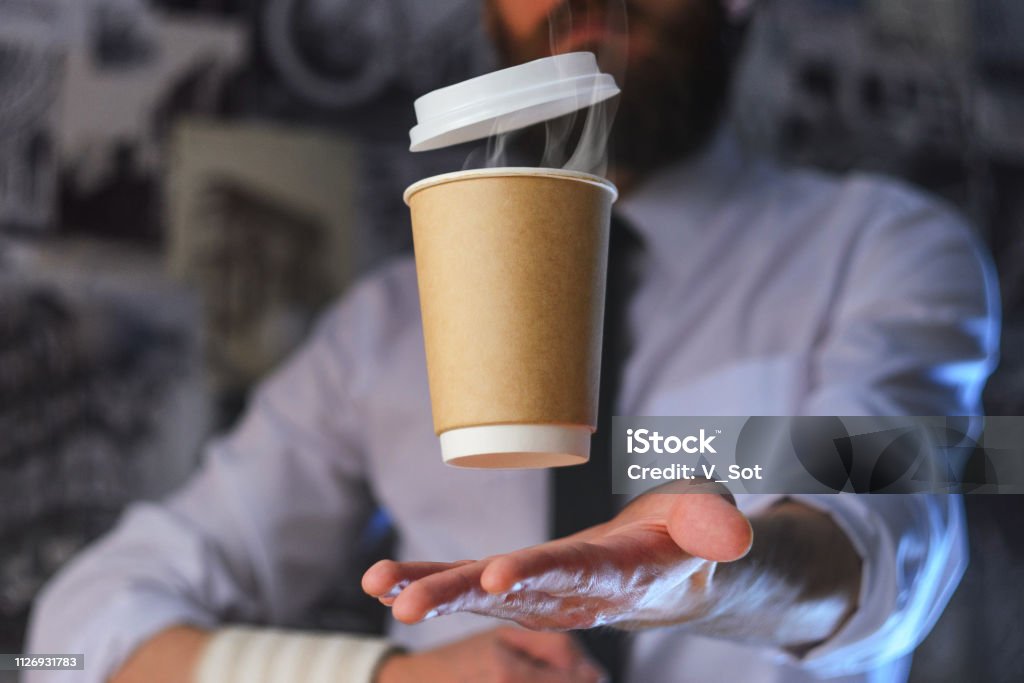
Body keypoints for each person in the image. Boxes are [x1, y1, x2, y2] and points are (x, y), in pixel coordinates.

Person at [27, 1, 1000, 682]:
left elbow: (892, 539)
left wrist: (715, 579)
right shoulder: (383, 329)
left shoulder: (883, 247)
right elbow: (74, 634)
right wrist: (376, 675)